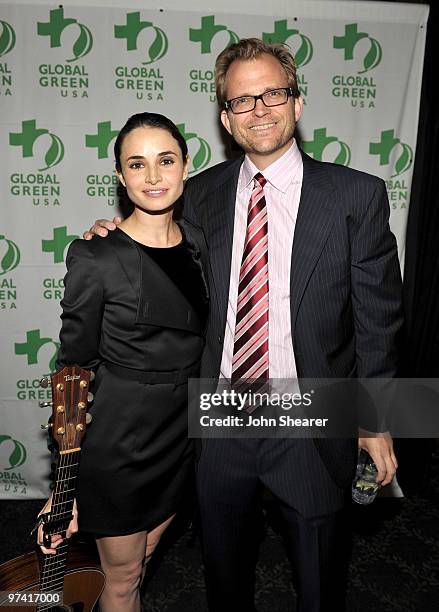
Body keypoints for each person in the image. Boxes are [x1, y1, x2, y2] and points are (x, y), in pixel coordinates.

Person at [85, 39, 402, 612]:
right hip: (220, 421)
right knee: (223, 580)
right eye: (242, 101)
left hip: (311, 418)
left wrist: (374, 421)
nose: (259, 109)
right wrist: (107, 239)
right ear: (226, 119)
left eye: (272, 93)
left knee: (318, 582)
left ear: (297, 103)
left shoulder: (357, 195)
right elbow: (152, 249)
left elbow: (379, 321)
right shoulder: (196, 194)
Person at [37, 112, 209, 612]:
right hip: (121, 441)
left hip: (182, 436)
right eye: (137, 164)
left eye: (166, 160)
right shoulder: (96, 256)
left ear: (185, 165)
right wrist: (63, 485)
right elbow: (73, 373)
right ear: (119, 175)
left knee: (144, 557)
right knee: (124, 576)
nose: (153, 177)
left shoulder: (201, 243)